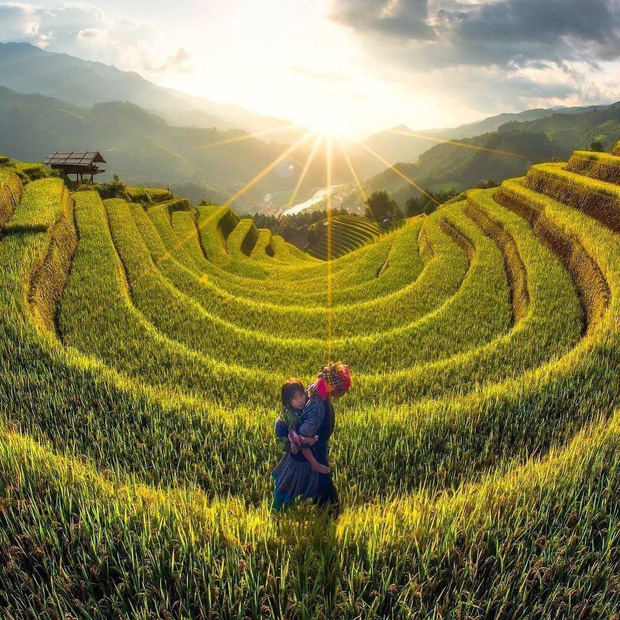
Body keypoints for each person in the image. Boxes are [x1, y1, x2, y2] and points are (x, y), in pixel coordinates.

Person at [271, 362, 351, 517]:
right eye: (341, 389)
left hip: (313, 448)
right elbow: (303, 436)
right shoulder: (316, 406)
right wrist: (314, 462)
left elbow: (310, 389)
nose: (301, 399)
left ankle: (326, 513)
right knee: (290, 484)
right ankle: (276, 515)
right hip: (304, 452)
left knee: (312, 483)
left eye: (301, 395)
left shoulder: (317, 389)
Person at [276, 378, 331, 474]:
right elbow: (293, 436)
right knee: (300, 443)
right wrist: (309, 440)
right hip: (284, 437)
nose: (300, 400)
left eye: (301, 395)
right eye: (295, 398)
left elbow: (308, 391)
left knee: (305, 432)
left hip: (292, 429)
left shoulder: (302, 400)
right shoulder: (292, 417)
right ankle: (314, 463)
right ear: (288, 402)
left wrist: (314, 389)